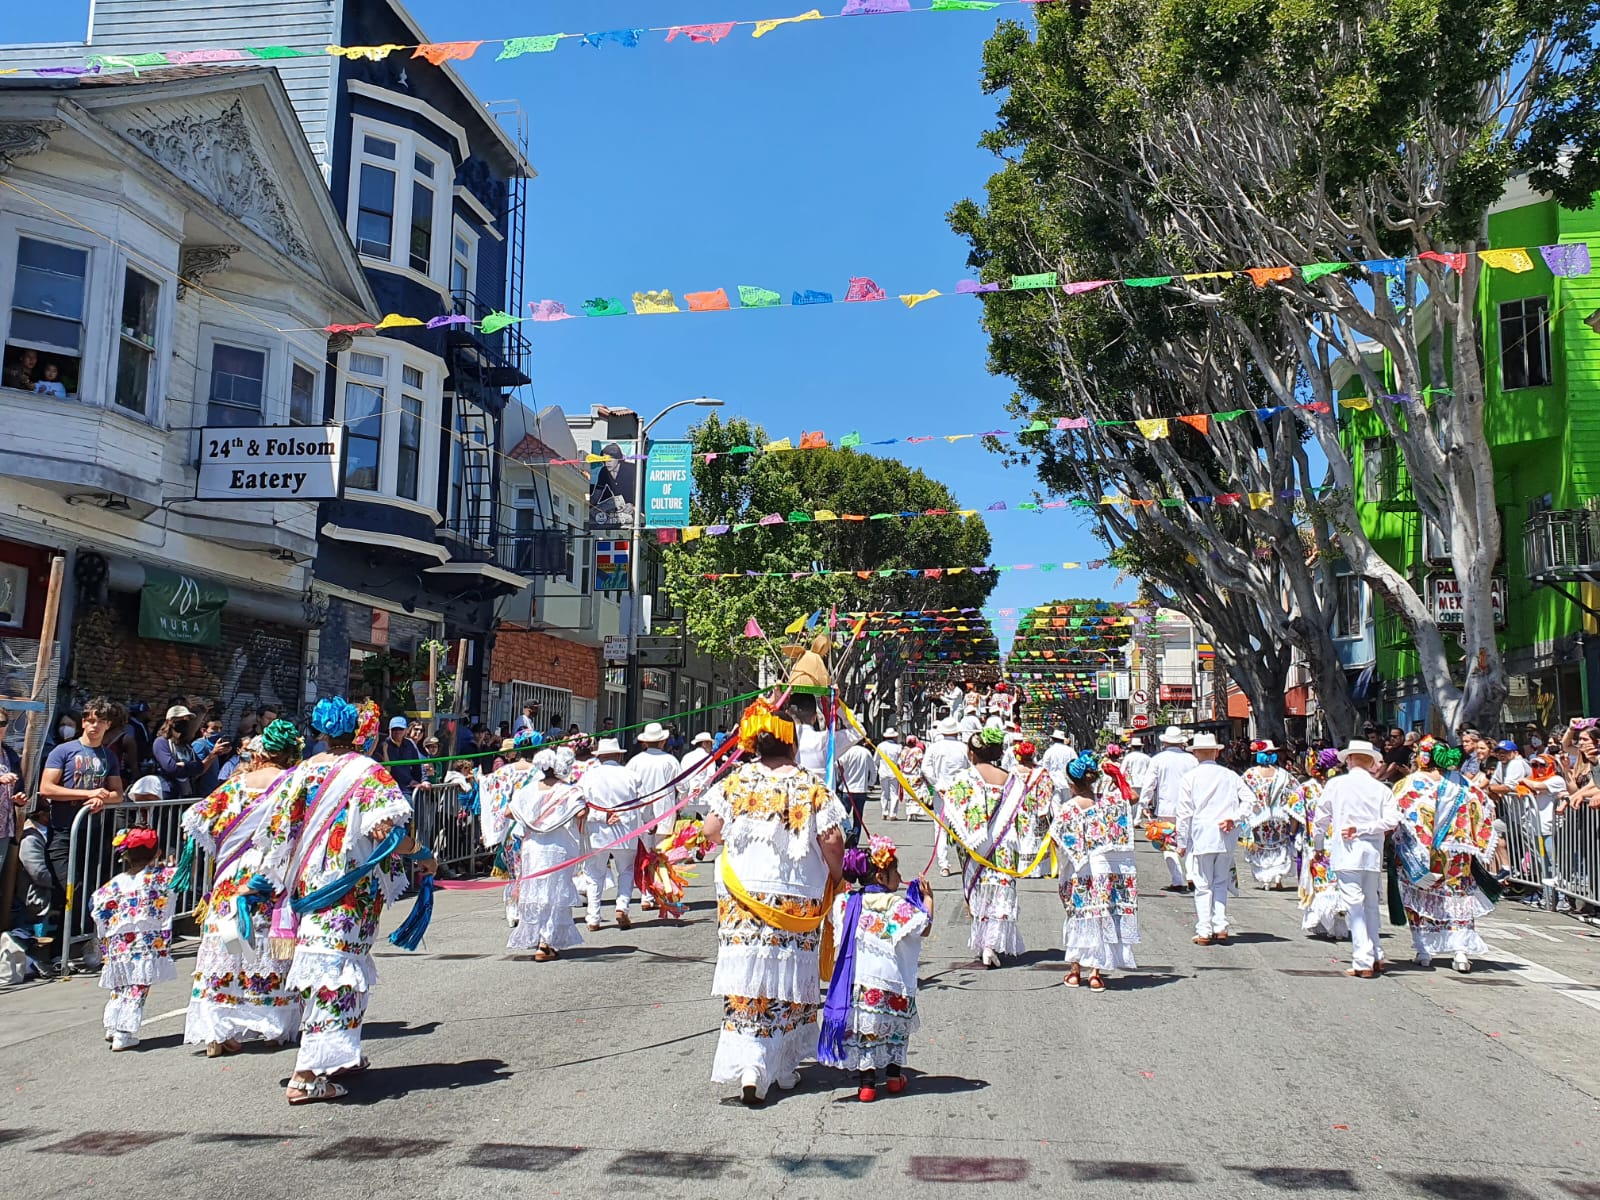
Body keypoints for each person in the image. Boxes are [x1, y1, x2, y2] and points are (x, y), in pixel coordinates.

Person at [254, 697, 433, 1104]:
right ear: (359, 734)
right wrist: (423, 855)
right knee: (335, 977)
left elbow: (277, 832)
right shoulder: (368, 774)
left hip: (310, 887)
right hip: (348, 892)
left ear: (320, 732)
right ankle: (307, 1074)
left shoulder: (303, 771)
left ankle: (339, 1056)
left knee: (331, 972)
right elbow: (389, 832)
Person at [701, 697, 846, 1105]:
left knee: (749, 980)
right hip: (795, 901)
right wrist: (837, 876)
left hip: (743, 899)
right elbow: (832, 840)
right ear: (792, 743)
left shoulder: (736, 782)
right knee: (788, 979)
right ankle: (781, 1067)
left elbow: (712, 829)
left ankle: (752, 1065)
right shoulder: (810, 786)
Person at [181, 721, 304, 1056]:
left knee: (228, 943)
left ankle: (217, 1030)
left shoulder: (233, 786)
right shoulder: (293, 784)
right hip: (268, 872)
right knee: (264, 943)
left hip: (230, 875)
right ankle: (273, 1024)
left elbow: (196, 818)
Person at [819, 836, 931, 1102]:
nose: (899, 877)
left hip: (860, 984)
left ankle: (867, 1084)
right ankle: (893, 1077)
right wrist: (928, 898)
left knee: (865, 1035)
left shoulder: (845, 902)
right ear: (881, 877)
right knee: (893, 1032)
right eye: (895, 872)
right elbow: (924, 926)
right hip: (890, 985)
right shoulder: (896, 906)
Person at [1393, 742, 1498, 973]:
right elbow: (1485, 806)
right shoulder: (1463, 784)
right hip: (1458, 852)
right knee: (1457, 897)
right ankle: (1460, 952)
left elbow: (1397, 816)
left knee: (1422, 896)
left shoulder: (1410, 784)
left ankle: (1424, 951)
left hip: (1422, 851)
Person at [938, 727, 1025, 968]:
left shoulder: (964, 778)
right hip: (1004, 844)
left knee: (980, 890)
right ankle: (990, 945)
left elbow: (955, 813)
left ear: (973, 753)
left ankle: (985, 943)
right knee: (1000, 892)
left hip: (976, 845)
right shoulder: (1011, 780)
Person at [1053, 750, 1138, 990]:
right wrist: (1118, 776)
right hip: (1101, 874)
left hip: (1078, 873)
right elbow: (1130, 797)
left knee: (1078, 917)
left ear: (1071, 783)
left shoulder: (1068, 808)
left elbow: (1058, 839)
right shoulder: (1108, 804)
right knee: (1100, 917)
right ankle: (1095, 973)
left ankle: (1074, 970)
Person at [39, 697, 125, 932]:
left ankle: (80, 939)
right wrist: (88, 793)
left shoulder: (109, 757)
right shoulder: (64, 750)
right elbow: (46, 788)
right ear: (83, 723)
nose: (95, 726)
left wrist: (103, 796)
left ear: (108, 725)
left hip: (94, 831)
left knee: (91, 886)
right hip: (64, 831)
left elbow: (118, 794)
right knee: (67, 885)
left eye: (101, 721)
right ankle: (57, 946)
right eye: (90, 720)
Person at [91, 826, 176, 1051]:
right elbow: (185, 874)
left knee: (120, 984)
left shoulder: (114, 883)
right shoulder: (160, 877)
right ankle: (123, 1033)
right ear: (157, 852)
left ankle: (113, 1025)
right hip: (144, 942)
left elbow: (96, 905)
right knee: (138, 986)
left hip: (118, 943)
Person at [1320, 739, 1400, 978]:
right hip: (1371, 853)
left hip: (1346, 851)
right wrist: (1368, 829)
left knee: (1354, 905)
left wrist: (1317, 843)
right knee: (1370, 904)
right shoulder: (1381, 789)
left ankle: (1363, 959)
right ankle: (1375, 952)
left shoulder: (1336, 785)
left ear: (1351, 760)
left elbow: (1321, 817)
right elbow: (1392, 820)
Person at [507, 747, 587, 961]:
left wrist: (532, 817)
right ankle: (545, 942)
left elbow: (508, 812)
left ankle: (541, 937)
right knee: (555, 894)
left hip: (534, 847)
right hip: (558, 847)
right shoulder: (568, 791)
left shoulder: (527, 790)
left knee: (537, 893)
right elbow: (580, 812)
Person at [1175, 732, 1253, 946]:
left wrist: (1181, 842)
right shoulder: (1230, 776)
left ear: (1196, 753)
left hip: (1202, 835)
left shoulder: (1190, 777)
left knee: (1202, 884)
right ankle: (1220, 925)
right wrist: (1234, 818)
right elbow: (1250, 800)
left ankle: (1204, 929)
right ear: (1217, 752)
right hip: (1226, 835)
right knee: (1220, 881)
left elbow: (1184, 813)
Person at [579, 737, 648, 930]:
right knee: (625, 869)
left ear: (599, 756)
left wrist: (600, 816)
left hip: (597, 831)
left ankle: (593, 916)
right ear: (618, 755)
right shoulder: (630, 775)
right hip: (626, 829)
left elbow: (580, 803)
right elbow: (641, 803)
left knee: (594, 873)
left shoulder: (588, 776)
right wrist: (648, 822)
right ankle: (622, 906)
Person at [1239, 740, 1305, 889]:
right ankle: (1277, 877)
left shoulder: (1250, 775)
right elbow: (1297, 792)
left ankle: (1266, 879)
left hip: (1257, 818)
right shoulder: (1283, 775)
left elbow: (1240, 794)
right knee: (1279, 845)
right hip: (1279, 817)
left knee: (1262, 846)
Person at [628, 723, 681, 908]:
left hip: (641, 813)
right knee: (661, 856)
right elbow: (683, 786)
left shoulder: (635, 761)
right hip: (664, 812)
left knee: (644, 854)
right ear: (663, 741)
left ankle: (646, 895)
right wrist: (681, 802)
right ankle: (660, 892)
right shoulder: (670, 761)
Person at [1298, 749, 1348, 939]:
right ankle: (1336, 926)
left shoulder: (1307, 788)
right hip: (1341, 843)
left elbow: (1296, 814)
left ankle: (1328, 924)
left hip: (1319, 845)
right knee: (1336, 885)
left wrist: (1295, 833)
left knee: (1323, 885)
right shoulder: (1345, 787)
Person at [1141, 726, 1199, 890]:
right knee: (1189, 842)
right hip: (1189, 806)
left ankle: (1177, 879)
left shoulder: (1158, 759)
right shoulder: (1192, 760)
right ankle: (1192, 875)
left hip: (1167, 807)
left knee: (1167, 844)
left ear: (1165, 742)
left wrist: (1144, 803)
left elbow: (1149, 784)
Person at [920, 716, 970, 873]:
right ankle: (965, 861)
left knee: (941, 828)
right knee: (963, 828)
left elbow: (925, 769)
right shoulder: (964, 748)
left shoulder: (934, 748)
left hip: (941, 792)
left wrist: (937, 785)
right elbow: (971, 770)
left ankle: (944, 865)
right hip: (960, 792)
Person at [154, 704, 228, 800]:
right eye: (181, 719)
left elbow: (200, 767)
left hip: (185, 795)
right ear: (170, 721)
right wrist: (190, 766)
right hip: (166, 795)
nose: (185, 722)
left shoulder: (184, 745)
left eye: (187, 719)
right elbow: (171, 768)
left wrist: (185, 765)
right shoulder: (161, 742)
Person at [1010, 739, 1055, 879]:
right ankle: (1038, 868)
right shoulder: (1041, 772)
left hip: (1018, 809)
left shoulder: (1013, 771)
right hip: (1036, 809)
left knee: (1022, 837)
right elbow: (1046, 791)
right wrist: (1043, 809)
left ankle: (1022, 867)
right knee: (1035, 838)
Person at [835, 736, 878, 847]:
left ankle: (848, 830)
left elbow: (837, 765)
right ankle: (854, 842)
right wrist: (870, 784)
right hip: (861, 790)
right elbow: (874, 770)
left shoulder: (847, 752)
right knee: (858, 818)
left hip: (847, 789)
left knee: (842, 814)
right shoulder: (866, 752)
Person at [876, 727, 904, 821]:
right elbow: (900, 761)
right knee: (894, 793)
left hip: (883, 771)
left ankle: (884, 812)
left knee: (884, 793)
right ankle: (893, 813)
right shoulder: (898, 747)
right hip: (894, 772)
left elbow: (876, 759)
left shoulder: (880, 746)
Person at [897, 737, 924, 821]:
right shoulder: (917, 750)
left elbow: (899, 763)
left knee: (908, 794)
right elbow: (921, 761)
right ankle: (915, 813)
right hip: (915, 775)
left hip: (905, 775)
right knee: (916, 794)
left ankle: (909, 813)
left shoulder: (904, 751)